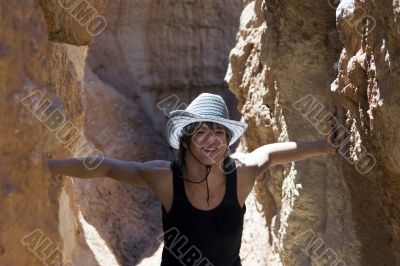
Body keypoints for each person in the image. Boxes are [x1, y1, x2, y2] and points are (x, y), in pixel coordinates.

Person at [48, 93, 338, 266]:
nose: (211, 140)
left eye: (219, 132)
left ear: (227, 140)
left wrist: (323, 145)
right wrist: (49, 166)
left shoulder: (242, 174)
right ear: (186, 140)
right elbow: (108, 168)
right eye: (201, 132)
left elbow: (270, 154)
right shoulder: (164, 177)